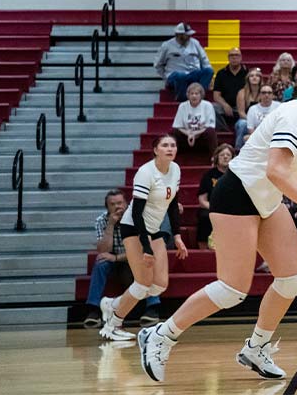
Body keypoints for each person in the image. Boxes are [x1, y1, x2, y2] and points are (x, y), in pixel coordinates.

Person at [136, 64, 297, 383]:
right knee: (233, 288)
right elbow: (276, 170)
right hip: (237, 194)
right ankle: (161, 335)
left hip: (266, 200)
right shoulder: (293, 115)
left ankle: (255, 347)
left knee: (292, 279)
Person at [99, 136, 187, 341]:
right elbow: (137, 213)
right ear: (155, 150)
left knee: (160, 285)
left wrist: (177, 236)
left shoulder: (175, 169)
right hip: (134, 227)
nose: (170, 148)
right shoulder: (146, 172)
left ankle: (113, 304)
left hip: (154, 227)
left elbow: (173, 205)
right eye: (164, 145)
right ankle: (112, 325)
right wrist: (146, 247)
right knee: (143, 283)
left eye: (173, 145)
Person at [83, 189, 161, 328]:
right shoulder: (102, 220)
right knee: (100, 263)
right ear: (107, 207)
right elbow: (103, 250)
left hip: (132, 259)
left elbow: (142, 250)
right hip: (114, 261)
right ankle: (93, 310)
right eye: (113, 204)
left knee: (146, 261)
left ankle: (152, 308)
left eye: (120, 203)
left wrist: (116, 257)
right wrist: (111, 225)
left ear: (126, 203)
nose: (117, 207)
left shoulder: (136, 218)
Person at [154, 22, 213, 102]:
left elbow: (204, 60)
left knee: (209, 71)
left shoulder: (195, 43)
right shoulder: (167, 45)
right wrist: (166, 78)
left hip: (193, 73)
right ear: (179, 35)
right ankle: (182, 98)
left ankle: (200, 95)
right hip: (175, 76)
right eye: (186, 35)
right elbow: (158, 65)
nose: (189, 36)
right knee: (180, 75)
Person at [197, 144, 235, 250]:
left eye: (228, 155)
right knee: (204, 216)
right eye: (222, 155)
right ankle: (203, 249)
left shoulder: (237, 175)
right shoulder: (208, 175)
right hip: (212, 207)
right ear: (217, 157)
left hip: (232, 208)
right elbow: (202, 200)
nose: (225, 157)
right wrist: (216, 208)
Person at [170, 83, 218, 155]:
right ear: (188, 95)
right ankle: (172, 156)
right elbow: (177, 126)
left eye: (196, 93)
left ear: (201, 95)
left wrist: (195, 133)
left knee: (210, 132)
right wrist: (189, 133)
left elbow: (210, 126)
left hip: (202, 137)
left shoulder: (207, 105)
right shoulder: (182, 106)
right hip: (187, 137)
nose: (194, 96)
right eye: (191, 93)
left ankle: (214, 157)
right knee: (173, 132)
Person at [212, 48, 246, 132]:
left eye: (236, 55)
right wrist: (225, 105)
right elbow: (216, 95)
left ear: (241, 57)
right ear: (228, 58)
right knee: (211, 107)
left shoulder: (247, 72)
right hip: (225, 106)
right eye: (231, 55)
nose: (234, 57)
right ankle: (225, 129)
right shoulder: (221, 73)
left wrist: (241, 108)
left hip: (244, 106)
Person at [238, 84, 280, 150]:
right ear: (259, 95)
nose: (267, 95)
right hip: (258, 136)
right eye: (264, 93)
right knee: (246, 138)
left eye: (269, 93)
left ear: (272, 95)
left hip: (275, 137)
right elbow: (250, 130)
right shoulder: (252, 109)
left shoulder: (279, 107)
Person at [235, 68, 265, 144]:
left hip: (262, 118)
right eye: (251, 76)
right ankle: (238, 149)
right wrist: (252, 122)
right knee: (242, 124)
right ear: (248, 79)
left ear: (260, 79)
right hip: (245, 119)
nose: (254, 77)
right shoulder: (242, 92)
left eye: (257, 76)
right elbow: (241, 113)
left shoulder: (265, 92)